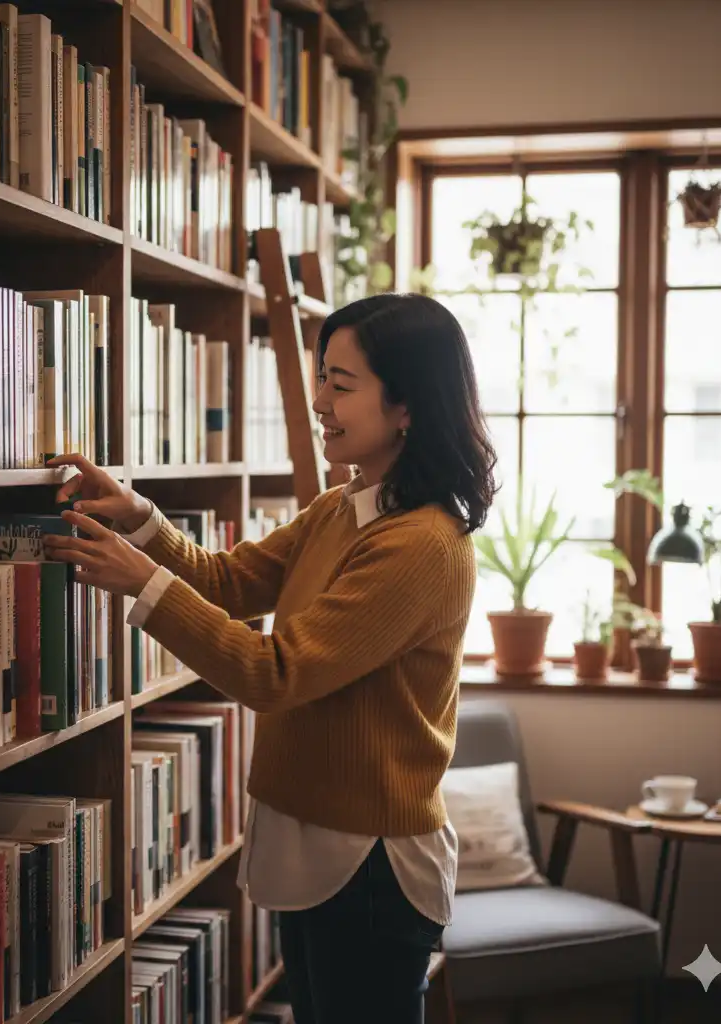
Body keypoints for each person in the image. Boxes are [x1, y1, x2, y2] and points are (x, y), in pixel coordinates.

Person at [43, 293, 498, 1024]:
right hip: (314, 842)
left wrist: (142, 580)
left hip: (370, 863)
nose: (319, 400)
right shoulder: (343, 508)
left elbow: (276, 673)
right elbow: (229, 581)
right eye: (322, 377)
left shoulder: (422, 544)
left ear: (408, 405)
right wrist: (140, 518)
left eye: (341, 385)